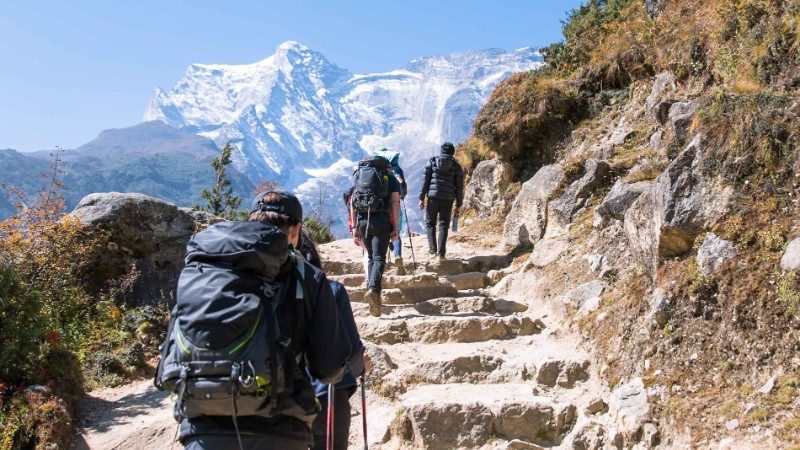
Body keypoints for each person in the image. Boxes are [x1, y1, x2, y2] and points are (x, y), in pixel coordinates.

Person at [178, 191, 352, 450]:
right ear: (296, 230)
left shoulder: (205, 269)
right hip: (279, 431)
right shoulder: (307, 277)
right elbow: (328, 369)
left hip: (202, 429)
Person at [298, 231, 371, 450]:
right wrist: (360, 369)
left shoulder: (264, 293)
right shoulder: (332, 290)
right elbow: (352, 352)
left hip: (278, 398)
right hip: (327, 396)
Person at [349, 155, 401, 317]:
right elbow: (395, 202)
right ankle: (373, 290)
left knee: (371, 257)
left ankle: (374, 295)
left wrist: (354, 226)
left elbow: (352, 202)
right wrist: (396, 227)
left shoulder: (360, 176)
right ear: (386, 166)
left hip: (363, 222)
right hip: (381, 221)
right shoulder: (390, 178)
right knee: (379, 258)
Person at [418, 142, 464, 259]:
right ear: (452, 153)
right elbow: (459, 187)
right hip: (448, 200)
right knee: (444, 225)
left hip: (432, 198)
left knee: (430, 223)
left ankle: (432, 250)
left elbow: (425, 182)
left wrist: (421, 198)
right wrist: (459, 204)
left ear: (441, 151)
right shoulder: (456, 166)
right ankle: (441, 254)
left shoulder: (432, 162)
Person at [374, 148, 408, 275]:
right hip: (396, 205)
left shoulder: (376, 170)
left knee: (381, 234)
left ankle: (380, 263)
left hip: (381, 208)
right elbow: (403, 189)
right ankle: (397, 255)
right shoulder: (398, 170)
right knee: (396, 232)